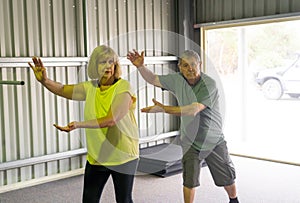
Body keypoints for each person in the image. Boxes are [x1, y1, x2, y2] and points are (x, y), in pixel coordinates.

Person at [29, 45, 139, 203]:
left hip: (123, 155)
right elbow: (62, 89)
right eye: (102, 62)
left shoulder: (124, 87)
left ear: (115, 65)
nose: (107, 66)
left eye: (111, 62)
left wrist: (79, 124)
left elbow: (111, 119)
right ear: (95, 66)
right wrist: (44, 80)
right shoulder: (90, 88)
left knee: (123, 200)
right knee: (89, 199)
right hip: (98, 156)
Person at [127, 49, 239, 203]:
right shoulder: (177, 79)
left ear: (200, 64)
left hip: (212, 140)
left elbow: (193, 110)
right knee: (189, 180)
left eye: (193, 64)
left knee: (226, 177)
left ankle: (234, 200)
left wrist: (164, 109)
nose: (190, 69)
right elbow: (153, 79)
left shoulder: (209, 84)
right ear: (180, 67)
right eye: (185, 65)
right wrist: (140, 66)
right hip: (190, 140)